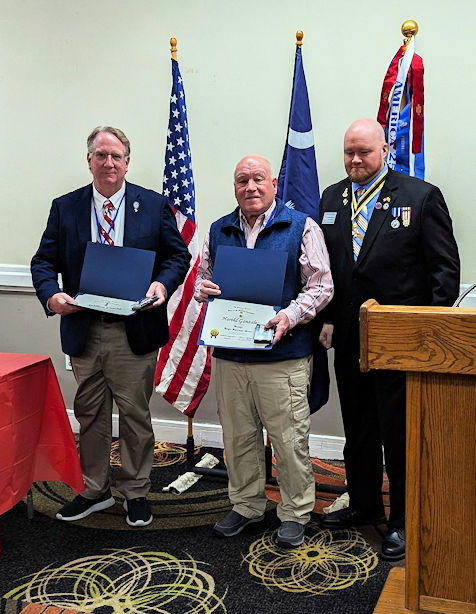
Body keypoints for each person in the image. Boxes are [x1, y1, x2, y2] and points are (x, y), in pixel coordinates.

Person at [31, 126, 191, 527]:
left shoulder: (152, 205)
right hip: (84, 329)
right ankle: (93, 488)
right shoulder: (65, 207)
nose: (108, 163)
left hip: (132, 331)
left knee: (135, 414)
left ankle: (135, 490)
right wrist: (52, 295)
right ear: (89, 161)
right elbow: (43, 263)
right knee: (89, 413)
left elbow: (177, 256)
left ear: (127, 162)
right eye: (100, 155)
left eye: (116, 156)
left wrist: (162, 284)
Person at [318, 118, 460, 560]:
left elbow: (444, 272)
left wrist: (428, 335)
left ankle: (401, 519)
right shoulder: (331, 198)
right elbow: (329, 270)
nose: (355, 160)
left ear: (385, 149)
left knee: (400, 433)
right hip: (349, 338)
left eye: (364, 151)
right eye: (348, 152)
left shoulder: (420, 197)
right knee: (358, 429)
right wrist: (326, 319)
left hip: (402, 341)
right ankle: (362, 504)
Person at [195, 154, 333, 548]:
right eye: (242, 180)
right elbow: (203, 278)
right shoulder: (219, 229)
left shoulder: (300, 226)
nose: (250, 187)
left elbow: (321, 286)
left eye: (258, 179)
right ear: (234, 186)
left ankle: (295, 512)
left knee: (289, 438)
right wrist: (203, 289)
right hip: (231, 355)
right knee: (238, 437)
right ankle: (247, 505)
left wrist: (289, 316)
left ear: (274, 183)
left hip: (282, 357)